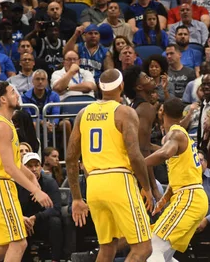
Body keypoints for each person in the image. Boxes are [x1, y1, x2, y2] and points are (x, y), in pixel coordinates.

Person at [65, 69, 153, 262]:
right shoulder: (124, 112)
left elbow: (71, 158)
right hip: (119, 180)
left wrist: (77, 198)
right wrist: (146, 187)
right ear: (121, 86)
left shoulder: (83, 113)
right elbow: (135, 155)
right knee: (143, 248)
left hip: (94, 184)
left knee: (107, 247)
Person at [0, 82, 52, 262]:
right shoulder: (2, 126)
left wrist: (32, 178)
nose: (17, 95)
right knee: (19, 243)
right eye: (12, 92)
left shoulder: (7, 123)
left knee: (5, 246)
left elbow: (16, 164)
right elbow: (9, 167)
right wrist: (36, 191)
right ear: (3, 99)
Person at [145, 98, 209, 262]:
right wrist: (165, 197)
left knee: (152, 247)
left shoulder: (175, 134)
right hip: (190, 196)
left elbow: (165, 153)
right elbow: (178, 173)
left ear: (162, 111)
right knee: (165, 254)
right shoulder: (178, 134)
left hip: (189, 198)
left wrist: (138, 165)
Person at [123, 65, 162, 200]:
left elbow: (144, 143)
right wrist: (152, 187)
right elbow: (143, 150)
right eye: (146, 77)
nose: (151, 78)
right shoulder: (146, 109)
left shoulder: (136, 106)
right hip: (137, 171)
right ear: (139, 87)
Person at [17, 152, 63, 262]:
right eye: (29, 166)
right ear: (23, 168)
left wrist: (36, 217)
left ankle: (55, 259)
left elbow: (56, 208)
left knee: (55, 221)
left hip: (41, 222)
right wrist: (23, 218)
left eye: (36, 165)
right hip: (24, 222)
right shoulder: (16, 183)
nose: (33, 169)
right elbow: (13, 206)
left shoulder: (49, 182)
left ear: (41, 167)